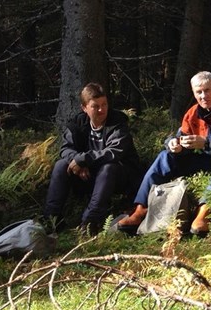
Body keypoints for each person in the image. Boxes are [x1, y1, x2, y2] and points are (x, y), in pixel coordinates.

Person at [118, 71, 211, 235]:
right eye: (199, 92)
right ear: (194, 93)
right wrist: (173, 145)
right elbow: (179, 137)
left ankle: (204, 212)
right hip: (203, 160)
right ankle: (141, 209)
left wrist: (207, 142)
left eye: (207, 90)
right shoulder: (192, 113)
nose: (203, 96)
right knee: (165, 156)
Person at [43, 83, 142, 235]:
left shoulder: (118, 122)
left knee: (108, 167)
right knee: (61, 165)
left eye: (104, 104)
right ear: (85, 108)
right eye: (96, 106)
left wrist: (83, 160)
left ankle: (90, 222)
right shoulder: (77, 123)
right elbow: (65, 149)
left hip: (119, 177)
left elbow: (114, 152)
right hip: (89, 175)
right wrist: (76, 161)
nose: (102, 110)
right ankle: (51, 220)